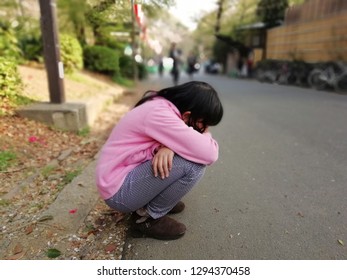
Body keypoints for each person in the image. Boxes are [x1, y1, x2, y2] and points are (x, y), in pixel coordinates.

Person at [96, 81, 223, 240]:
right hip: (119, 193)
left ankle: (154, 200)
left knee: (183, 153)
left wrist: (168, 146)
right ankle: (147, 218)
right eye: (203, 124)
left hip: (121, 175)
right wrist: (202, 135)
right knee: (194, 165)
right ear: (187, 115)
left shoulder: (160, 105)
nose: (204, 129)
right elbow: (210, 153)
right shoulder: (160, 115)